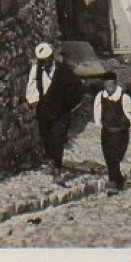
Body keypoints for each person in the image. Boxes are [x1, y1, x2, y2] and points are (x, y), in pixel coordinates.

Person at [25, 42, 83, 182]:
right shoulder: (36, 68)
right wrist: (35, 101)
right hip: (44, 111)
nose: (45, 64)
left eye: (47, 61)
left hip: (61, 112)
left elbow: (77, 89)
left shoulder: (63, 70)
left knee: (58, 139)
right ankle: (53, 161)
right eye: (42, 62)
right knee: (47, 138)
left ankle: (57, 169)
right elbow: (31, 85)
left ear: (52, 57)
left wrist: (68, 105)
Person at [92, 71, 131, 194]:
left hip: (120, 133)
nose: (108, 89)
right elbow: (97, 113)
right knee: (108, 157)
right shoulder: (101, 96)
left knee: (115, 157)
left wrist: (128, 122)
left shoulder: (124, 97)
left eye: (111, 86)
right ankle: (118, 180)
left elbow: (130, 111)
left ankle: (113, 182)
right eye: (106, 86)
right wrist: (99, 124)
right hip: (106, 131)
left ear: (116, 84)